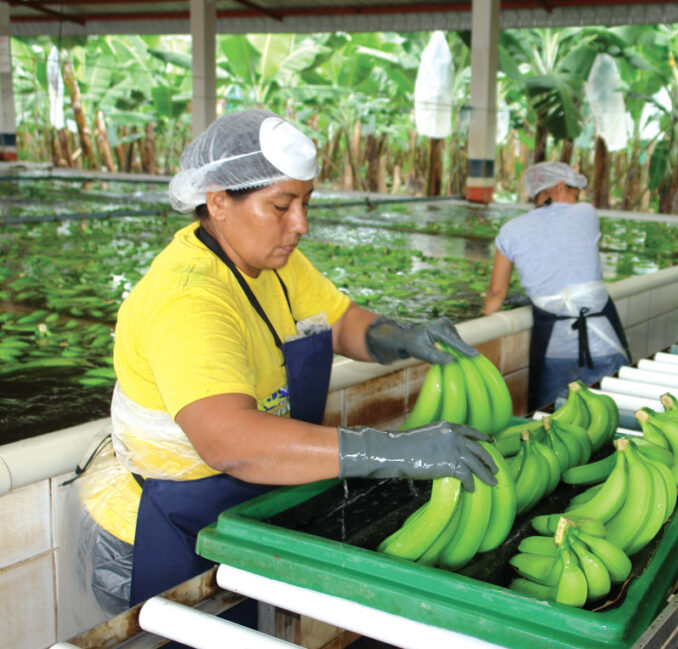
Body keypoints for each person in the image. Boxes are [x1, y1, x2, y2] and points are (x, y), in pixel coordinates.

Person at [74, 109, 496, 617]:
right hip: (160, 529)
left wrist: (400, 336)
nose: (301, 224)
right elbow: (231, 443)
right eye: (281, 205)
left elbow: (338, 321)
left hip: (232, 511)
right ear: (218, 202)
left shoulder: (273, 261)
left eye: (306, 201)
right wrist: (394, 449)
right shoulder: (189, 299)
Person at [483, 161, 630, 411]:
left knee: (552, 422)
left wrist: (484, 330)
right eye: (575, 192)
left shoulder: (509, 232)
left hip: (553, 348)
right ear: (560, 186)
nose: (577, 197)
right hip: (602, 339)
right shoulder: (587, 214)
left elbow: (496, 293)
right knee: (612, 415)